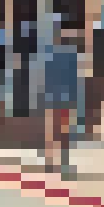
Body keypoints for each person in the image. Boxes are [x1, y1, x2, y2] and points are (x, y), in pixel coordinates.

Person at [38, 24, 85, 177]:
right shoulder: (67, 54)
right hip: (59, 98)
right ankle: (56, 163)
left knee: (58, 131)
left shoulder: (55, 53)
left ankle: (54, 162)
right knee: (59, 131)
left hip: (57, 98)